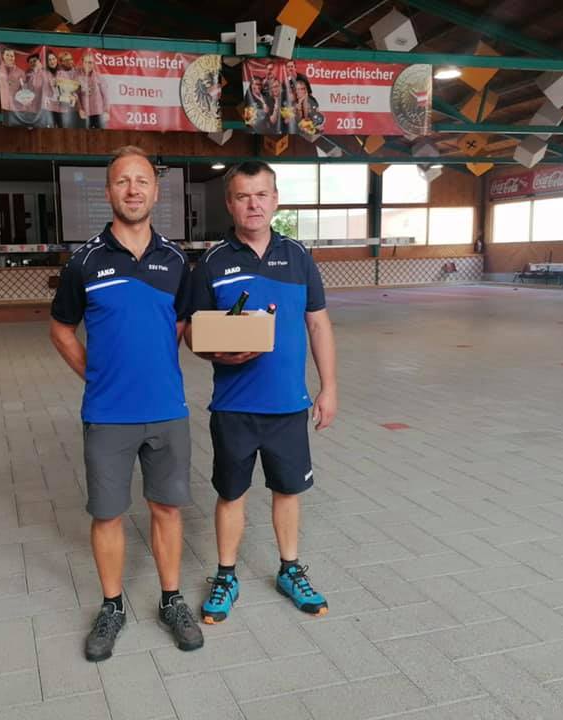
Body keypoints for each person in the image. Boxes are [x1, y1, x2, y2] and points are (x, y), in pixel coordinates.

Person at [50, 146, 204, 662]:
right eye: (122, 181)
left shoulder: (176, 261)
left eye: (142, 181)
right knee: (108, 513)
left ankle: (171, 600)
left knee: (167, 508)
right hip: (107, 414)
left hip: (167, 412)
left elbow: (180, 327)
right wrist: (95, 374)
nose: (133, 189)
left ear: (156, 191)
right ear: (108, 191)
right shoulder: (85, 261)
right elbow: (60, 329)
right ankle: (112, 606)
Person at [186, 160, 337, 625]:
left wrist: (329, 387)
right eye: (242, 196)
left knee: (288, 490)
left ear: (275, 200)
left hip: (288, 404)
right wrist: (216, 352)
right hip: (233, 407)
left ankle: (290, 569)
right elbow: (193, 333)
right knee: (231, 493)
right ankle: (226, 575)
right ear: (229, 204)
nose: (252, 204)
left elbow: (318, 323)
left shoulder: (299, 257)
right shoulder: (212, 262)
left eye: (261, 194)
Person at [78, 51, 109, 129]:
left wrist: (106, 111)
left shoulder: (99, 77)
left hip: (99, 113)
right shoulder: (78, 77)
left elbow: (106, 96)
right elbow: (77, 95)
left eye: (90, 62)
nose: (88, 65)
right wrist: (80, 109)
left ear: (94, 64)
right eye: (86, 62)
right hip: (84, 114)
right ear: (82, 63)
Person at [292, 74, 324, 138]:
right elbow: (298, 120)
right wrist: (300, 102)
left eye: (302, 89)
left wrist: (320, 123)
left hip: (313, 132)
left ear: (306, 90)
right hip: (298, 134)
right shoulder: (292, 103)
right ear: (295, 90)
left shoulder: (312, 100)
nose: (300, 91)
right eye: (298, 89)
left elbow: (318, 114)